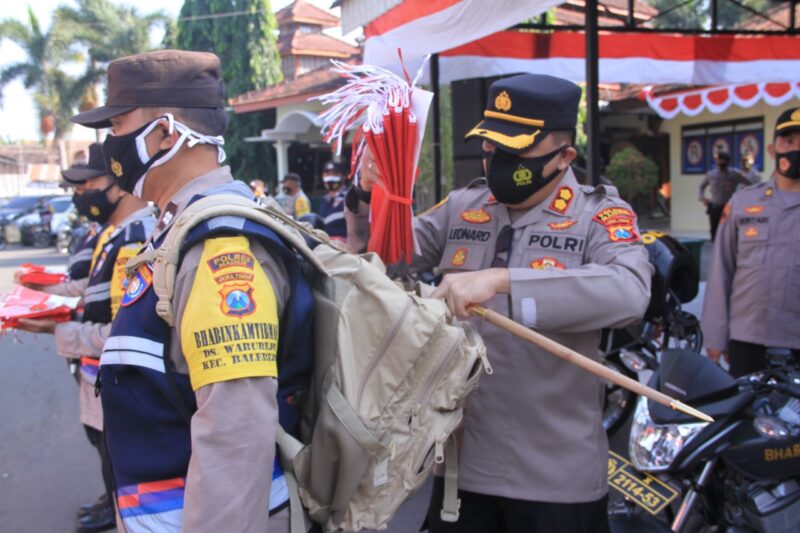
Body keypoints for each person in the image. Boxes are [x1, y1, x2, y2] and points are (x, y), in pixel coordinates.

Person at [346, 74, 652, 533]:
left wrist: (506, 281)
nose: (498, 160)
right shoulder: (466, 205)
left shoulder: (598, 215)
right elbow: (387, 252)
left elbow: (630, 290)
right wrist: (370, 193)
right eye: (491, 146)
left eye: (516, 149)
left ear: (564, 156)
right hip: (461, 469)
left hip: (554, 477)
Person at [71, 49, 307, 533]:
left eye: (117, 125)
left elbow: (235, 438)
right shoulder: (178, 229)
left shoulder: (220, 247)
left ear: (164, 132)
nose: (110, 144)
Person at [14, 142, 155, 532]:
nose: (81, 195)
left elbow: (122, 330)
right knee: (104, 448)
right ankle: (114, 502)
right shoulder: (113, 235)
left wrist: (57, 327)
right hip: (97, 373)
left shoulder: (136, 237)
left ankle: (119, 509)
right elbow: (87, 289)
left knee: (120, 456)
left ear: (121, 185)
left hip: (117, 377)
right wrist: (35, 299)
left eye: (88, 184)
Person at [701, 107, 800, 377]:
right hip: (749, 338)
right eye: (788, 141)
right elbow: (721, 271)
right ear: (772, 150)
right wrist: (714, 336)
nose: (795, 149)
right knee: (745, 414)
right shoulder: (744, 203)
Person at [698, 151, 750, 240]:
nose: (721, 163)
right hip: (714, 206)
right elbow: (701, 186)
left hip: (727, 207)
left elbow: (749, 183)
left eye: (723, 161)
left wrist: (742, 198)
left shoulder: (734, 174)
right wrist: (701, 197)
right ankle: (715, 250)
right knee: (714, 232)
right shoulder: (711, 174)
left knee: (728, 232)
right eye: (719, 161)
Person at [317, 161, 348, 240]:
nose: (330, 177)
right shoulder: (325, 200)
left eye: (335, 174)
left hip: (345, 246)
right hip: (326, 244)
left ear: (343, 177)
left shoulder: (349, 197)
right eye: (327, 174)